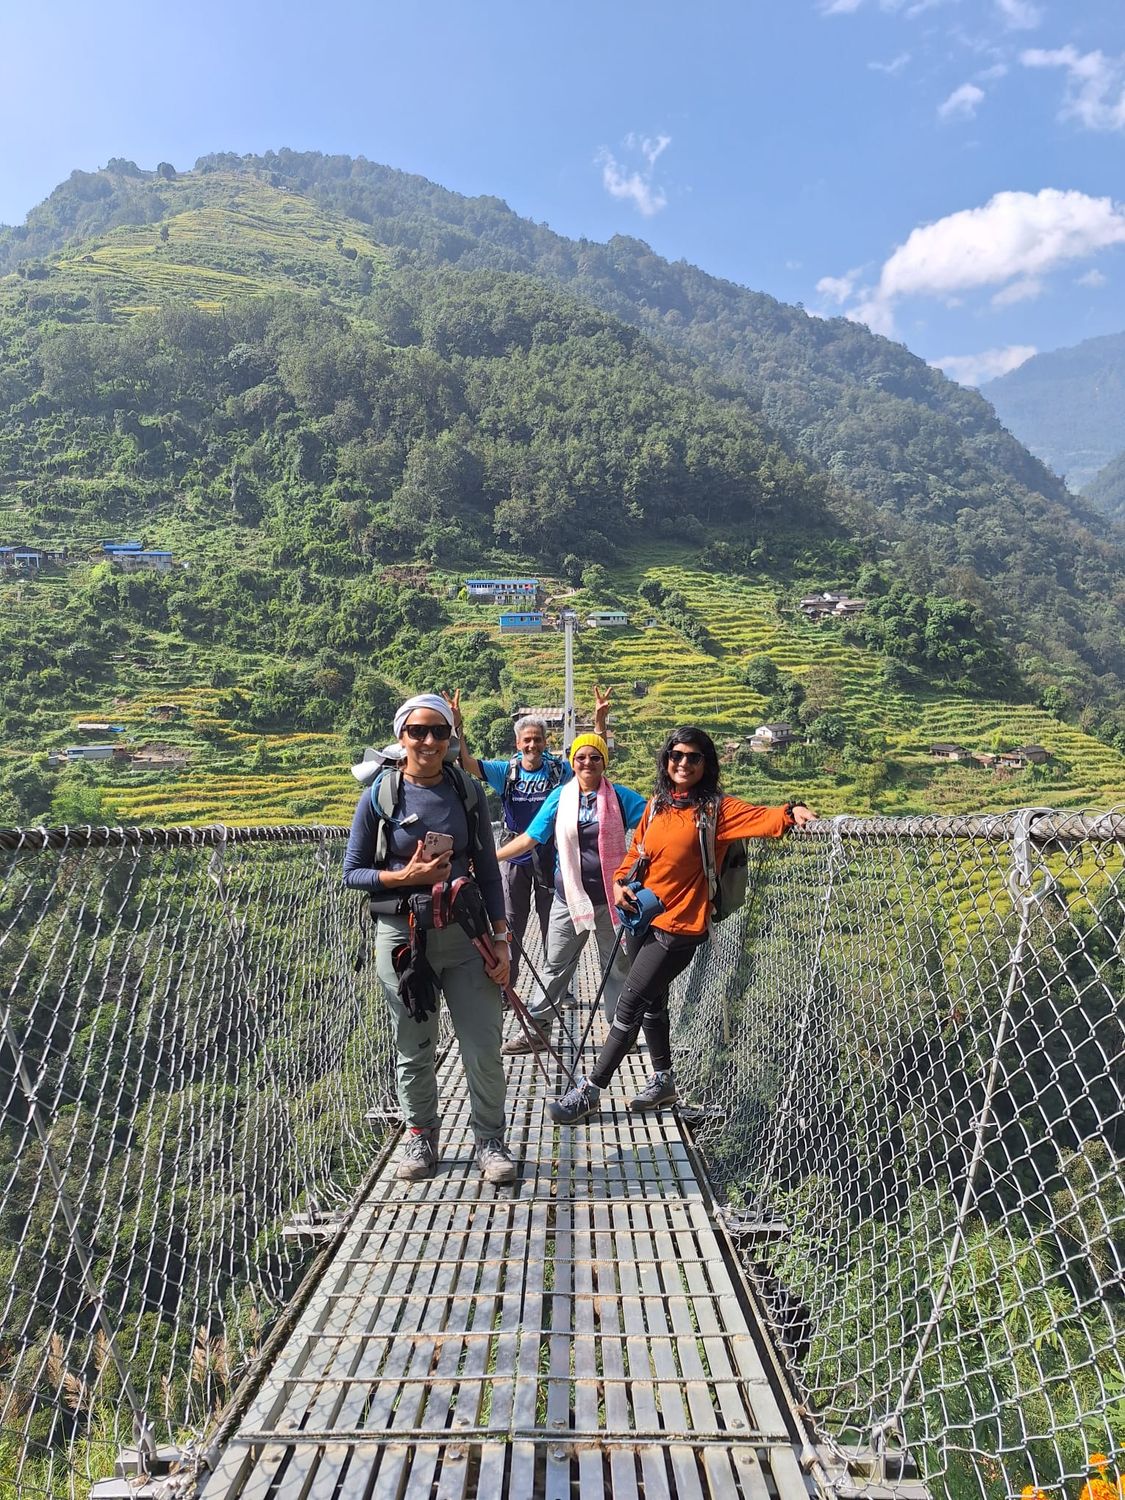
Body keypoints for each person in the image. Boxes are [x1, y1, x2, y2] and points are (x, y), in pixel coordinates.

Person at [547, 725, 817, 1123]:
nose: (684, 763)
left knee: (629, 1003)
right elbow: (636, 851)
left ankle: (591, 1090)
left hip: (681, 927)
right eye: (676, 755)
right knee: (654, 1001)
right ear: (666, 760)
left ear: (706, 764)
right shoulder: (658, 805)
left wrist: (792, 811)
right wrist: (620, 884)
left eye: (694, 757)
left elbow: (767, 818)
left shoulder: (717, 810)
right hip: (644, 916)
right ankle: (663, 1081)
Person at [343, 693, 516, 1185]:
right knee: (413, 1044)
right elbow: (352, 872)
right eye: (418, 730)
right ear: (401, 736)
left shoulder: (467, 792)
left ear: (450, 739)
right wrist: (406, 876)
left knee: (482, 1044)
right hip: (402, 937)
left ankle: (490, 1140)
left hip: (466, 934)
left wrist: (500, 940)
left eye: (439, 731)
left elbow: (486, 867)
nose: (428, 740)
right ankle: (421, 1136)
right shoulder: (379, 794)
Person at [493, 732, 648, 1055]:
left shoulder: (620, 797)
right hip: (569, 898)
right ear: (572, 763)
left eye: (595, 757)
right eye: (581, 758)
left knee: (616, 966)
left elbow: (654, 823)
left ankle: (620, 1034)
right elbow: (532, 837)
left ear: (604, 762)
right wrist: (490, 858)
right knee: (555, 964)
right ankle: (538, 1031)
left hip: (612, 898)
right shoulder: (560, 798)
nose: (587, 763)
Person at [449, 687, 611, 993]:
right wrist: (458, 727)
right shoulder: (505, 771)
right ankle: (507, 987)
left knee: (556, 924)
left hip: (552, 853)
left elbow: (592, 762)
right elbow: (466, 763)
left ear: (546, 743)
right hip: (514, 853)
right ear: (518, 744)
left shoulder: (559, 771)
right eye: (527, 740)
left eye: (538, 739)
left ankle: (558, 990)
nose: (532, 745)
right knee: (511, 923)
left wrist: (599, 723)